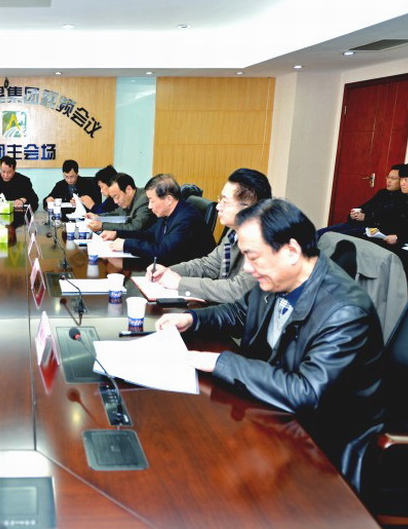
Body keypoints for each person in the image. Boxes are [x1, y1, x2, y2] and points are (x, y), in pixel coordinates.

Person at [157, 199, 384, 492]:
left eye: (253, 257)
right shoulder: (280, 277)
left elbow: (306, 392)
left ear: (291, 251)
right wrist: (192, 319)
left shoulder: (345, 311)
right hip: (276, 414)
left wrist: (219, 362)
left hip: (323, 446)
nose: (247, 268)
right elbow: (239, 311)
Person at [145, 168, 272, 303]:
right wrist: (168, 271)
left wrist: (180, 283)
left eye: (225, 202)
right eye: (220, 200)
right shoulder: (234, 231)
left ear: (247, 209)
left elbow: (238, 290)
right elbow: (209, 265)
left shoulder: (266, 240)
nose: (218, 207)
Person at [108, 174, 214, 263]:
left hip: (191, 274)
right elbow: (149, 235)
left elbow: (162, 252)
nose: (149, 206)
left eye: (152, 200)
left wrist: (126, 245)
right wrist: (118, 234)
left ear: (168, 199)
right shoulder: (167, 213)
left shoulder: (186, 219)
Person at [318, 164, 403, 239]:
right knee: (319, 233)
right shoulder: (382, 193)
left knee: (333, 238)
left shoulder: (402, 199)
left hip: (370, 230)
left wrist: (366, 218)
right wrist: (354, 214)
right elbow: (364, 207)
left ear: (402, 181)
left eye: (393, 178)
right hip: (356, 224)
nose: (388, 181)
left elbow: (386, 221)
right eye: (388, 177)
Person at [87, 173, 155, 233]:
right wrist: (98, 216)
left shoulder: (144, 200)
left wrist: (103, 226)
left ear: (128, 190)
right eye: (113, 198)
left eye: (116, 197)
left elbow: (135, 227)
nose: (115, 201)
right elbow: (117, 213)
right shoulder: (128, 200)